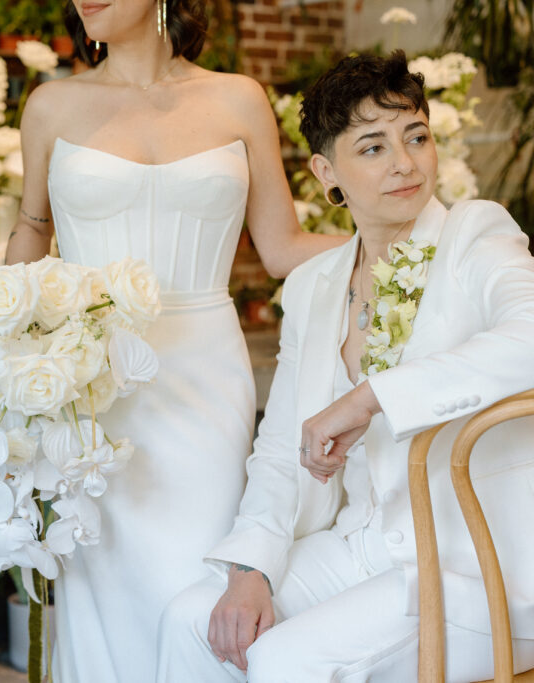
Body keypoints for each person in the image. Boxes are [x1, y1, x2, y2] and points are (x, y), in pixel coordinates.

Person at [156, 51, 534, 682]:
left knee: (282, 661)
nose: (405, 163)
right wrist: (252, 570)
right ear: (327, 172)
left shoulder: (476, 236)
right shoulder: (314, 284)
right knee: (192, 621)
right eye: (373, 148)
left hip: (477, 569)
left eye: (416, 137)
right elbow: (281, 447)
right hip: (359, 549)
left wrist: (371, 397)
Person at [4, 0, 345, 680]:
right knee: (104, 589)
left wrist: (418, 249)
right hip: (92, 386)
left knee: (200, 574)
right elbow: (31, 229)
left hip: (205, 381)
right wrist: (0, 335)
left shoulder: (239, 99)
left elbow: (282, 247)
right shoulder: (50, 105)